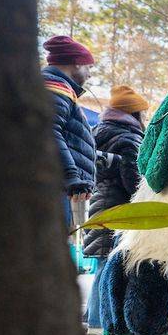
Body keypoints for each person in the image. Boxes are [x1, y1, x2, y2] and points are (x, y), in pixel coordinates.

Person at [84, 85, 149, 329]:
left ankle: (92, 315)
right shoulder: (128, 138)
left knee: (102, 261)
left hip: (99, 202)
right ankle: (97, 322)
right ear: (134, 114)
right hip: (119, 208)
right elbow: (133, 181)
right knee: (108, 264)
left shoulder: (97, 131)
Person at [42, 35, 96, 233]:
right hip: (55, 186)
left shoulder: (56, 87)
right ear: (77, 63)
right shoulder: (56, 87)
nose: (89, 75)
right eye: (89, 67)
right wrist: (71, 177)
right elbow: (48, 132)